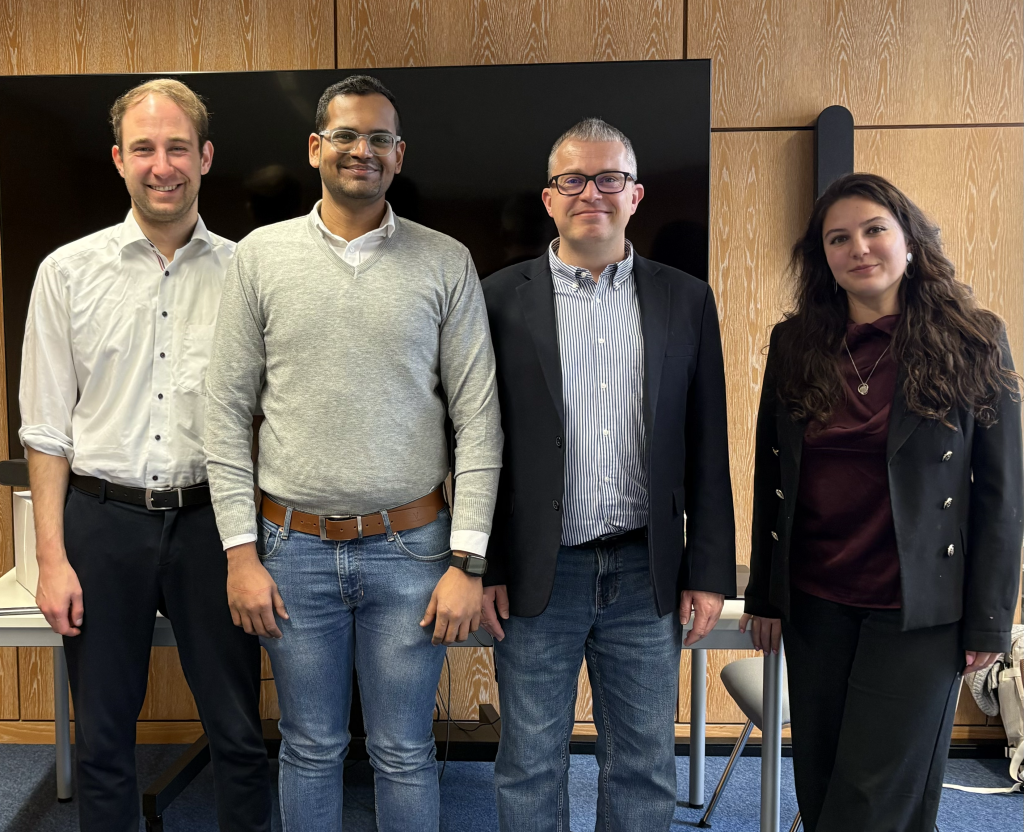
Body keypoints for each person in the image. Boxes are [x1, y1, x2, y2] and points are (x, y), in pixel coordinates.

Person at [203, 74, 502, 831]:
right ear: (315, 148)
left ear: (399, 155)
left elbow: (478, 419)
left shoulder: (446, 261)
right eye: (344, 135)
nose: (360, 150)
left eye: (378, 138)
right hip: (290, 551)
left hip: (414, 552)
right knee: (309, 747)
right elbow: (226, 410)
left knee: (404, 751)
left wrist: (467, 563)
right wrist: (240, 554)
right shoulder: (260, 257)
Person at [20, 79, 271, 832]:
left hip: (214, 526)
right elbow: (46, 429)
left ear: (206, 157)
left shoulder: (249, 273)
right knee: (102, 740)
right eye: (144, 149)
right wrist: (52, 559)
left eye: (177, 148)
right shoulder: (66, 272)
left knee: (238, 732)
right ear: (118, 160)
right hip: (102, 523)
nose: (163, 166)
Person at [741, 172, 1024, 832]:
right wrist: (765, 594)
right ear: (823, 257)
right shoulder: (795, 343)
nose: (859, 248)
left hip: (919, 611)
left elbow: (1002, 493)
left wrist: (989, 620)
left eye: (875, 230)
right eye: (838, 238)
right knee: (823, 785)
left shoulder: (975, 338)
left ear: (910, 240)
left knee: (871, 800)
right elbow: (772, 474)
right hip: (816, 601)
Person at [480, 118, 737, 832]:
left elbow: (706, 441)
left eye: (609, 179)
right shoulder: (496, 298)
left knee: (644, 766)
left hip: (644, 571)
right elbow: (477, 442)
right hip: (539, 572)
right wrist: (484, 563)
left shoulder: (687, 299)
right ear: (549, 198)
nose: (590, 192)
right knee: (530, 763)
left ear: (635, 195)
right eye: (573, 179)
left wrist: (708, 571)